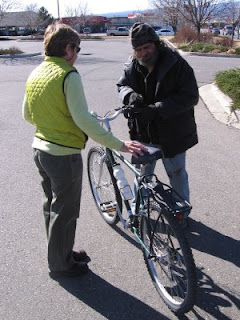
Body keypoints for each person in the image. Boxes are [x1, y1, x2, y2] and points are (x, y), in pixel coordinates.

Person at [22, 22, 146, 277]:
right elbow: (83, 121)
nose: (77, 53)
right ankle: (61, 264)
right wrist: (120, 144)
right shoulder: (68, 74)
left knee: (52, 206)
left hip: (40, 150)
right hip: (63, 155)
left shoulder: (36, 72)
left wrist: (54, 121)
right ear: (68, 49)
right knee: (65, 212)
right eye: (77, 48)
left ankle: (59, 253)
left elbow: (28, 115)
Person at [117, 22, 199, 226]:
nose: (144, 53)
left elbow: (190, 96)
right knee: (143, 174)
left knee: (177, 173)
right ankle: (139, 210)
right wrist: (129, 96)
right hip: (143, 132)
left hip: (173, 132)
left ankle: (181, 213)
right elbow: (122, 85)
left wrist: (156, 110)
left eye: (147, 47)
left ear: (156, 43)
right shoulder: (131, 65)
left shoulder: (176, 64)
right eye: (139, 49)